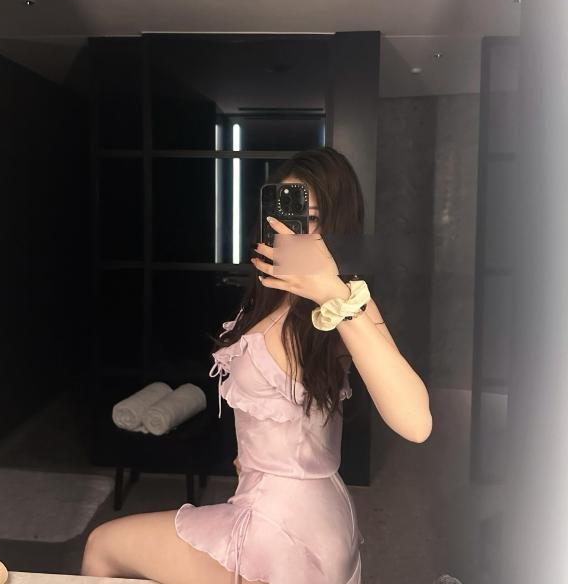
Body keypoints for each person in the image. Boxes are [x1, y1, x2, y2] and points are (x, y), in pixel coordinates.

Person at [80, 146, 432, 584]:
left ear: (336, 227)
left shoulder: (346, 304)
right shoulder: (268, 296)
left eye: (308, 219)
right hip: (280, 508)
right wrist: (253, 458)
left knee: (102, 546)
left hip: (289, 530)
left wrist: (333, 294)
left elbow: (416, 422)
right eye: (281, 214)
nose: (289, 231)